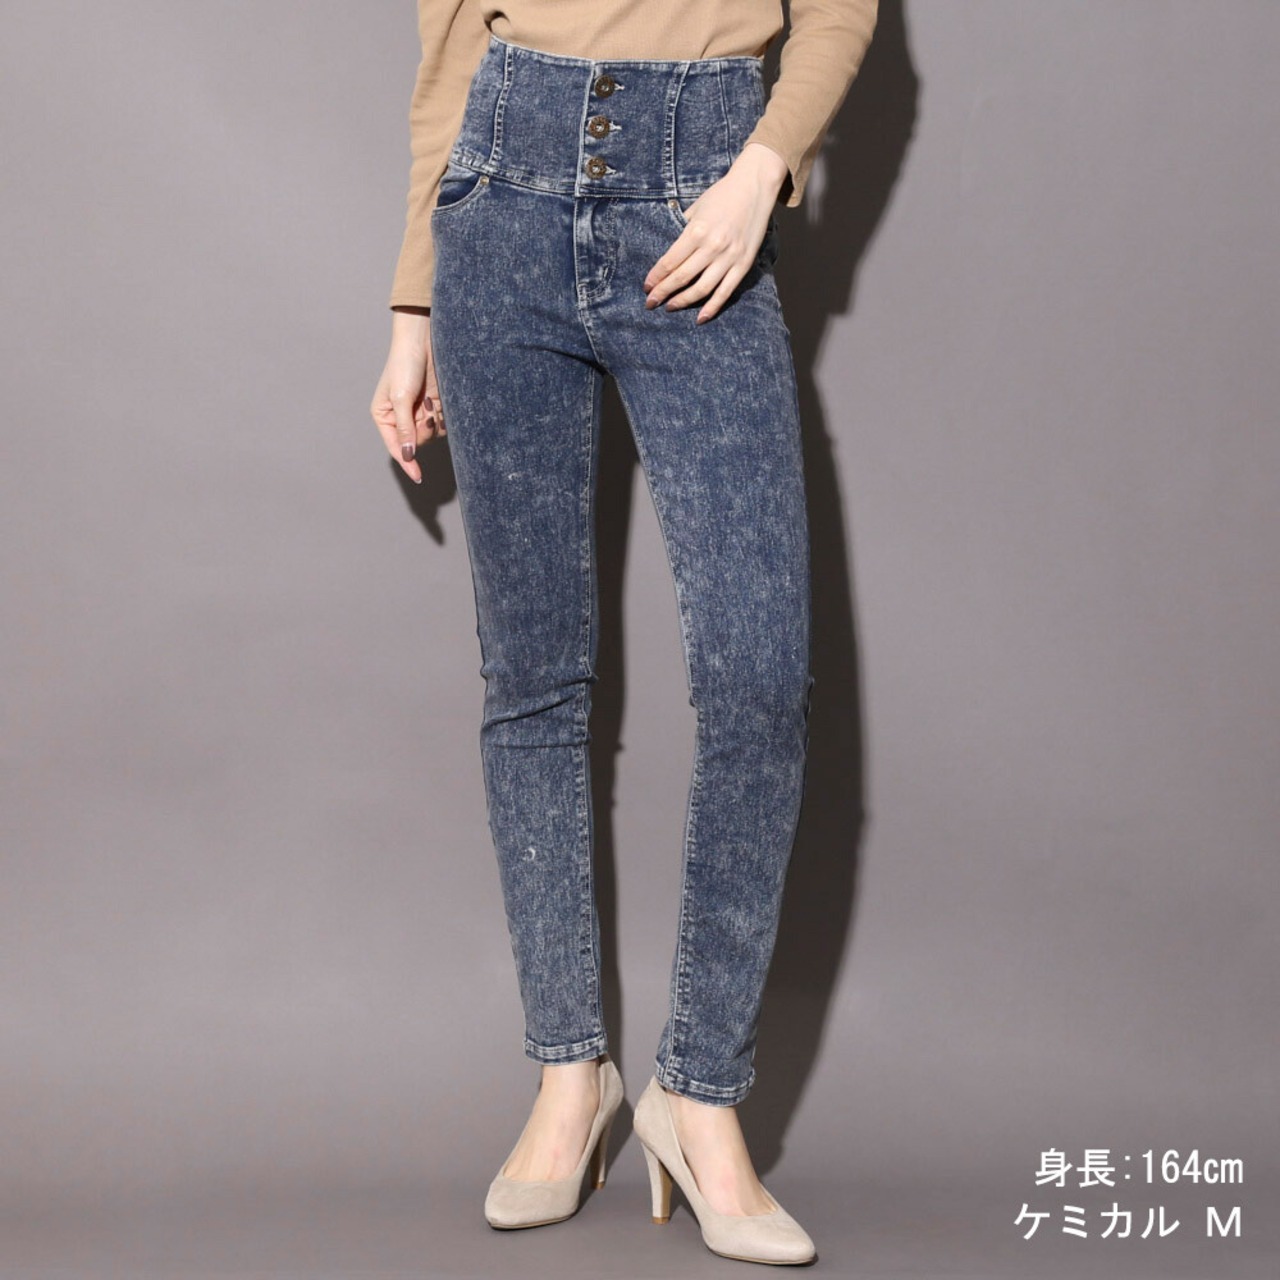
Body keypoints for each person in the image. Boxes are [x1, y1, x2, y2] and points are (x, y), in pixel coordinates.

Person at [370, 0, 877, 1265]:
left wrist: (759, 170)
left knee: (757, 676)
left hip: (702, 190)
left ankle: (698, 1093)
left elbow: (836, 12)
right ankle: (568, 1075)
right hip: (501, 197)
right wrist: (412, 308)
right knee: (534, 676)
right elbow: (449, 50)